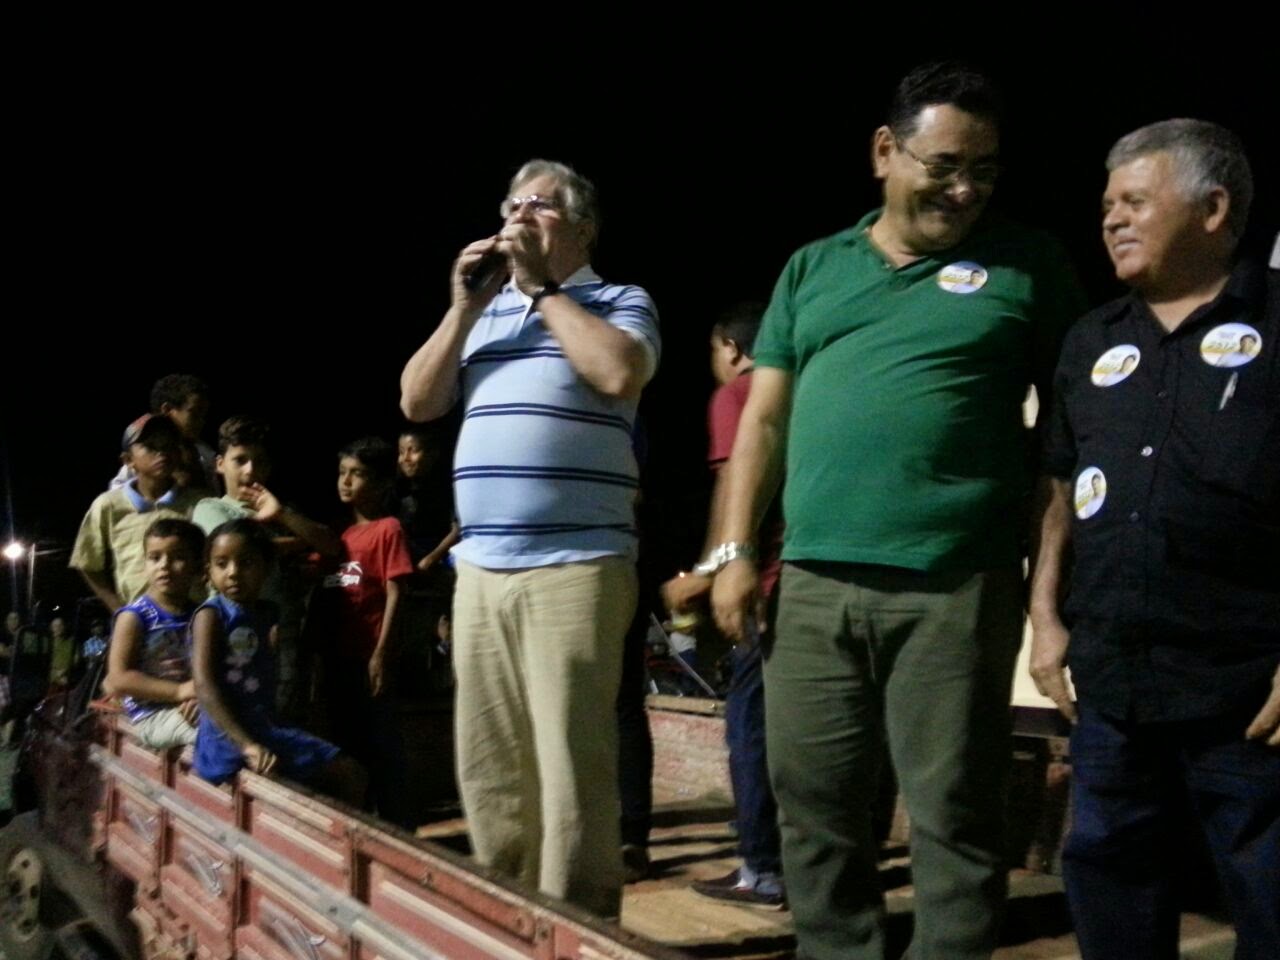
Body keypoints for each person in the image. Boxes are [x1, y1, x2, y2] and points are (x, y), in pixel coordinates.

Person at [706, 62, 1085, 959]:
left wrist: (1045, 592)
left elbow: (1067, 442)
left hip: (956, 586)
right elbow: (764, 422)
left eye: (984, 171)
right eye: (944, 165)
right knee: (814, 811)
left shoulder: (1029, 265)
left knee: (954, 814)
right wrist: (733, 551)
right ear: (885, 152)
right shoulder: (814, 267)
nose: (965, 190)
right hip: (813, 586)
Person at [1030, 118, 1278, 960]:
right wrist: (1045, 619)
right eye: (1107, 205)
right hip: (1112, 688)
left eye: (1135, 201)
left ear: (1214, 208)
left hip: (1249, 696)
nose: (1112, 219)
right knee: (1111, 891)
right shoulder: (1090, 339)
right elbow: (1059, 487)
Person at [399, 158, 660, 917]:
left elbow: (619, 374)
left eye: (538, 205)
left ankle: (577, 927)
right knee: (491, 767)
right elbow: (417, 401)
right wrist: (462, 309)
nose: (517, 216)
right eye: (510, 205)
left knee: (571, 765)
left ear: (582, 228)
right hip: (481, 569)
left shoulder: (618, 299)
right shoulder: (484, 314)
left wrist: (545, 290)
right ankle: (508, 919)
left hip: (576, 564)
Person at [662, 303, 785, 908]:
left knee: (749, 729)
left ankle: (762, 870)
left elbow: (735, 483)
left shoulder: (738, 395)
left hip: (765, 586)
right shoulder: (798, 392)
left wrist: (707, 571)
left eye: (713, 351)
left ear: (731, 347)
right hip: (802, 582)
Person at [191, 519, 364, 805]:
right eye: (222, 564)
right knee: (347, 774)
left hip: (263, 726)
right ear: (208, 571)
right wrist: (247, 745)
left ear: (267, 568)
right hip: (229, 737)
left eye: (246, 563)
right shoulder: (211, 615)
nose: (233, 572)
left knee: (348, 774)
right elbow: (204, 684)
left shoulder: (267, 614)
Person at [193, 416, 341, 718]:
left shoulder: (282, 512)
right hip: (229, 634)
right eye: (240, 460)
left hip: (282, 634)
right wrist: (298, 541)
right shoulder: (211, 507)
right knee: (235, 715)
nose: (250, 470)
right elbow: (242, 548)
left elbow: (331, 545)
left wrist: (281, 513)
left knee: (281, 715)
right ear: (220, 464)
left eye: (259, 461)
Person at [306, 437, 412, 798]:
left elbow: (396, 592)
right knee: (346, 741)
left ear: (381, 484)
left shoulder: (388, 529)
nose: (346, 481)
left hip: (369, 658)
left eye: (357, 474)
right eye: (342, 472)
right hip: (337, 658)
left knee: (382, 743)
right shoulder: (336, 534)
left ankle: (397, 820)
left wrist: (382, 653)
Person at [71, 414, 207, 611]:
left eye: (169, 445)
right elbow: (86, 562)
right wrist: (119, 610)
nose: (162, 452)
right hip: (139, 621)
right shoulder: (108, 505)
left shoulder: (200, 503)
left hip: (192, 618)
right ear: (128, 460)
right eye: (151, 446)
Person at [102, 519, 205, 749]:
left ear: (198, 566)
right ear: (145, 563)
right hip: (152, 715)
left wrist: (200, 696)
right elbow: (118, 678)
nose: (164, 566)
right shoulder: (135, 616)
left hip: (193, 705)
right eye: (155, 557)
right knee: (217, 737)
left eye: (178, 557)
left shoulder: (201, 614)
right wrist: (179, 691)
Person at [110, 375, 216, 492]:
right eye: (194, 413)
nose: (201, 421)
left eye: (203, 414)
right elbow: (116, 492)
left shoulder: (204, 454)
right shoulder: (143, 455)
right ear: (166, 409)